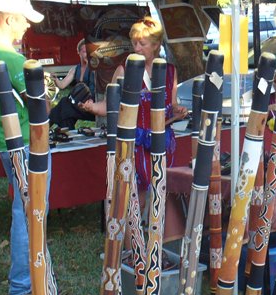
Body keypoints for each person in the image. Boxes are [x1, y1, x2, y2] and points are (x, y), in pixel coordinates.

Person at [0, 0, 49, 295]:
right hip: (26, 142)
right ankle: (23, 280)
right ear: (9, 19)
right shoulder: (12, 59)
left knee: (25, 206)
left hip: (3, 141)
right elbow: (41, 101)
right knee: (30, 209)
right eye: (24, 21)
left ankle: (27, 275)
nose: (26, 28)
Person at [80, 16, 187, 190]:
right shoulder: (124, 70)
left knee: (165, 196)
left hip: (164, 143)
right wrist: (92, 107)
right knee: (135, 199)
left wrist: (179, 110)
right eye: (134, 43)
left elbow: (172, 105)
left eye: (142, 44)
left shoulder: (169, 71)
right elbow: (110, 105)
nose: (136, 48)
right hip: (135, 145)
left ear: (156, 44)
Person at [48, 39, 95, 131]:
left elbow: (100, 87)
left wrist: (94, 69)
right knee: (65, 107)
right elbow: (62, 85)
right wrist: (56, 79)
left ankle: (47, 124)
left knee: (65, 104)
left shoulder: (95, 69)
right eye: (85, 52)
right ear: (79, 52)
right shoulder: (75, 69)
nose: (88, 55)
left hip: (92, 104)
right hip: (80, 103)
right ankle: (66, 131)